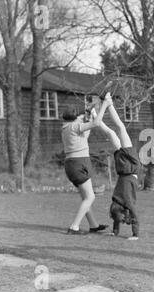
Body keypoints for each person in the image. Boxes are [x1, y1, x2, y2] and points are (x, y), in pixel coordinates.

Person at [61, 93, 112, 235]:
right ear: (76, 117)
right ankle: (74, 227)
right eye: (80, 115)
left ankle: (94, 225)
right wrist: (104, 106)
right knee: (90, 197)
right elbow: (95, 124)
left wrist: (88, 114)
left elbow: (86, 134)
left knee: (86, 197)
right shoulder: (75, 126)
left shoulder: (67, 126)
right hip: (78, 164)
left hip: (74, 164)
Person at [103, 95, 140, 240]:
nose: (110, 212)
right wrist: (135, 235)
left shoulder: (116, 202)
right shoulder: (127, 203)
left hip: (123, 169)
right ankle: (108, 103)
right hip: (131, 165)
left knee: (112, 133)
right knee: (120, 128)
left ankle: (95, 114)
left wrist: (115, 232)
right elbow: (135, 217)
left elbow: (116, 217)